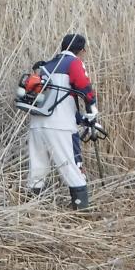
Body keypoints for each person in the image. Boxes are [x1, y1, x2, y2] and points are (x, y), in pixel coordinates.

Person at [25, 33, 99, 211]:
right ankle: (82, 211)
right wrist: (92, 108)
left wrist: (81, 119)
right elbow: (84, 87)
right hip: (60, 127)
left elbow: (60, 101)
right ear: (81, 50)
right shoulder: (74, 63)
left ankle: (31, 211)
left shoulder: (45, 66)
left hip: (36, 125)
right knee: (71, 167)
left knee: (38, 169)